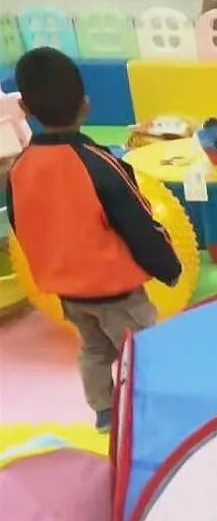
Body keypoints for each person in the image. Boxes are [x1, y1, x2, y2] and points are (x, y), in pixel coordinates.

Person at [5, 48, 180, 432]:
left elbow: (22, 227)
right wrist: (168, 266)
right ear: (85, 105)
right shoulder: (99, 163)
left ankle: (104, 411)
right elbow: (138, 222)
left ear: (26, 110)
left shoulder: (19, 169)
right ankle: (155, 412)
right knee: (143, 350)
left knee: (94, 349)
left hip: (69, 292)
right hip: (116, 291)